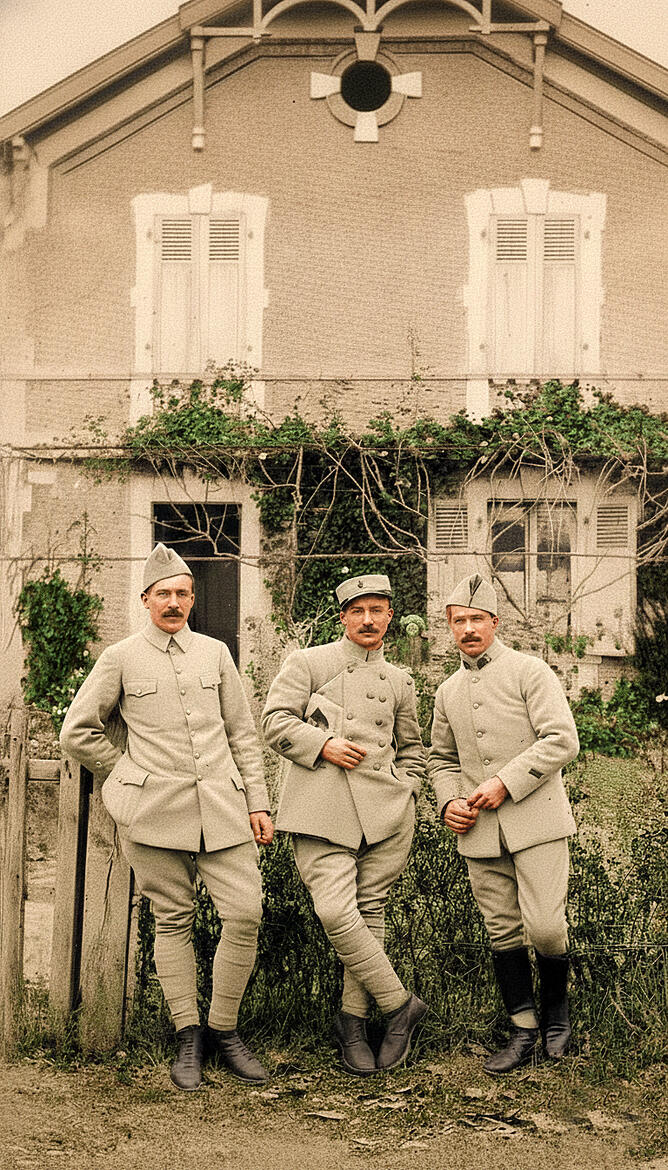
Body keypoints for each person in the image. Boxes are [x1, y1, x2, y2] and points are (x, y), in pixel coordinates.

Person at [60, 543, 274, 1091]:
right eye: (163, 595)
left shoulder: (215, 653)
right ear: (145, 600)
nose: (173, 603)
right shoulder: (121, 658)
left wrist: (258, 800)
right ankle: (188, 1034)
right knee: (172, 920)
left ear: (192, 598)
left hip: (224, 811)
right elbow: (78, 730)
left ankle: (225, 1030)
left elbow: (242, 733)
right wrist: (128, 773)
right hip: (154, 813)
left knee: (245, 912)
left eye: (182, 593)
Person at [261, 574, 427, 1076]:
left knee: (370, 912)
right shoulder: (310, 662)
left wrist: (409, 790)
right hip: (320, 807)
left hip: (386, 815)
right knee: (336, 911)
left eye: (378, 610)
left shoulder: (399, 680)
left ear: (390, 617)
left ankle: (352, 1023)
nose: (368, 620)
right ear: (343, 617)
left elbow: (414, 749)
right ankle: (401, 1006)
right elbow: (273, 722)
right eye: (358, 611)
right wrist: (323, 746)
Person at [427, 573, 580, 1073]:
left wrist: (505, 783)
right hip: (478, 831)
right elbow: (440, 758)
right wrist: (449, 799)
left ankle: (557, 1018)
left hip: (536, 821)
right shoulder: (448, 690)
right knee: (502, 930)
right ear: (449, 627)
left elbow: (560, 739)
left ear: (495, 622)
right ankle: (523, 1029)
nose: (468, 629)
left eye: (477, 620)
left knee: (545, 926)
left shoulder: (529, 671)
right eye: (459, 621)